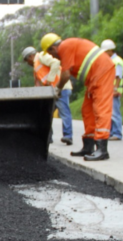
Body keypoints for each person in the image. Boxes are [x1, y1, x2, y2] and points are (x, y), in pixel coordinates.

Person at [41, 33, 116, 161]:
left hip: (102, 71)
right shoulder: (68, 46)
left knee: (100, 109)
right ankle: (88, 146)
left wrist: (57, 90)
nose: (53, 57)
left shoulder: (65, 47)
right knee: (87, 110)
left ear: (53, 48)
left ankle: (102, 149)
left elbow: (65, 75)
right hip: (93, 78)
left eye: (51, 54)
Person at [21, 46, 73, 146]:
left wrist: (50, 79)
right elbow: (39, 84)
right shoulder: (37, 65)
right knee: (46, 114)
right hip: (52, 91)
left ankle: (68, 136)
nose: (28, 63)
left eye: (27, 60)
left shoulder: (41, 56)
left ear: (31, 56)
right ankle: (48, 137)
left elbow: (56, 63)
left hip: (61, 88)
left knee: (64, 112)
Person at [101, 39, 123, 141]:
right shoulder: (111, 60)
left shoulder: (117, 61)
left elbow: (118, 76)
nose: (104, 54)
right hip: (108, 90)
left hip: (114, 90)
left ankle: (117, 133)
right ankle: (112, 132)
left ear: (110, 50)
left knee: (115, 113)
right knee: (110, 112)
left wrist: (115, 89)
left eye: (105, 52)